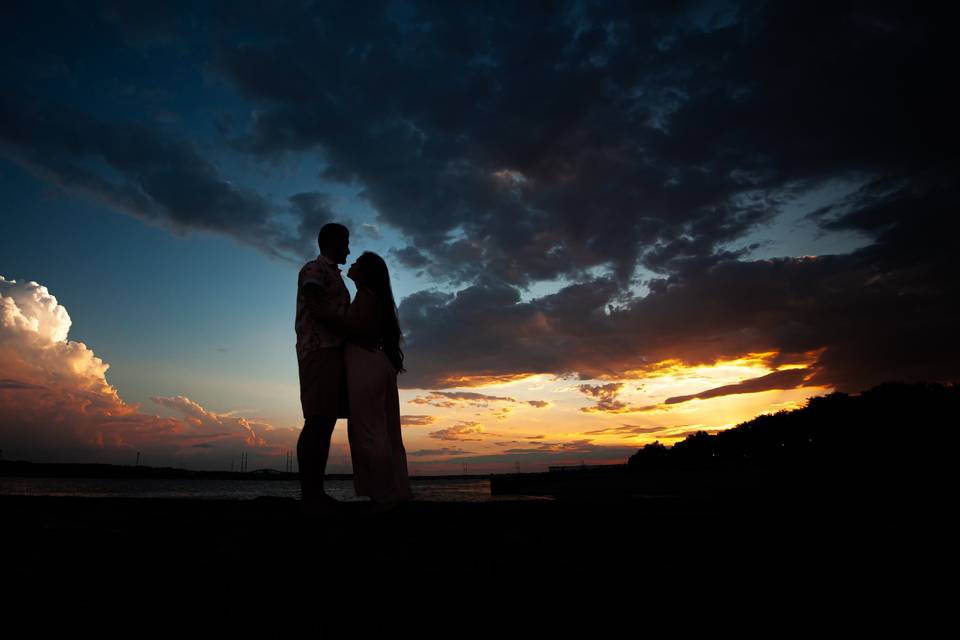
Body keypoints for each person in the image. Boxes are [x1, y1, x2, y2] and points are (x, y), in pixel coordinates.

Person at [324, 251, 412, 513]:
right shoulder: (370, 297)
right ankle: (391, 491)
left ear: (367, 272)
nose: (352, 264)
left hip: (365, 365)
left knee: (369, 431)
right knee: (381, 431)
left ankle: (385, 495)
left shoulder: (368, 297)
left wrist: (327, 316)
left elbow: (361, 332)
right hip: (371, 365)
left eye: (358, 263)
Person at [295, 223, 351, 517]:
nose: (349, 250)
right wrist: (352, 329)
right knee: (317, 420)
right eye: (345, 243)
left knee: (325, 421)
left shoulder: (334, 276)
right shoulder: (314, 269)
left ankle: (316, 493)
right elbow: (315, 306)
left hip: (332, 353)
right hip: (319, 351)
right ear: (331, 242)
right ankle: (311, 495)